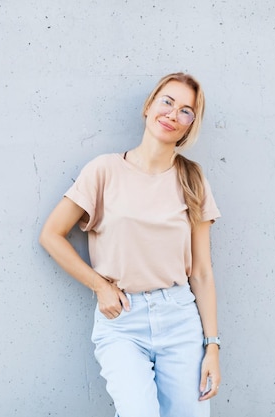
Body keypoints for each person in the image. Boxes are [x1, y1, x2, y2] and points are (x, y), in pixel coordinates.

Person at [39, 72, 222, 417]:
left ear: (190, 125)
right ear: (149, 106)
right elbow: (51, 234)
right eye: (167, 101)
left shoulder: (193, 179)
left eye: (186, 110)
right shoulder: (103, 170)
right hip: (123, 321)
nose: (172, 114)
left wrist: (212, 346)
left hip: (180, 318)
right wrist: (99, 285)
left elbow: (201, 272)